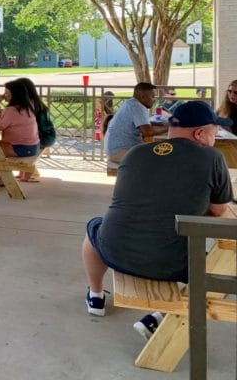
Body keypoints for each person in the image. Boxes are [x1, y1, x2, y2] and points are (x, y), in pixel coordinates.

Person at [81, 101, 233, 338]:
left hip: (115, 251)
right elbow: (218, 210)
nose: (214, 139)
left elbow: (125, 200)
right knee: (218, 261)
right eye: (214, 133)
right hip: (171, 265)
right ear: (200, 134)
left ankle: (96, 296)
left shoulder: (135, 153)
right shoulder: (212, 157)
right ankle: (161, 316)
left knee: (95, 229)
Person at [0, 80, 40, 191]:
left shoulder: (11, 110)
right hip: (34, 146)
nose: (4, 95)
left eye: (7, 93)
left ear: (15, 95)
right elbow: (7, 120)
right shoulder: (28, 106)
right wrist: (1, 112)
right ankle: (1, 179)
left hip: (22, 148)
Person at [104, 82, 168, 163]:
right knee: (159, 156)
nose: (154, 100)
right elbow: (147, 132)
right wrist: (168, 128)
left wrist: (157, 124)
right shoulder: (137, 107)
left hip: (114, 150)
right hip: (120, 152)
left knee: (155, 150)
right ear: (143, 97)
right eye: (152, 96)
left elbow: (140, 123)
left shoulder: (130, 103)